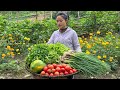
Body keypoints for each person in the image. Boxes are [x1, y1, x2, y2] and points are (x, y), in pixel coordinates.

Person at [47, 12, 82, 79]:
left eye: (61, 21)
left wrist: (79, 55)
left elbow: (77, 46)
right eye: (57, 21)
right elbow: (49, 44)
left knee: (68, 76)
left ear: (66, 21)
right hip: (57, 61)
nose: (58, 23)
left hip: (68, 60)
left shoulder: (72, 32)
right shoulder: (55, 33)